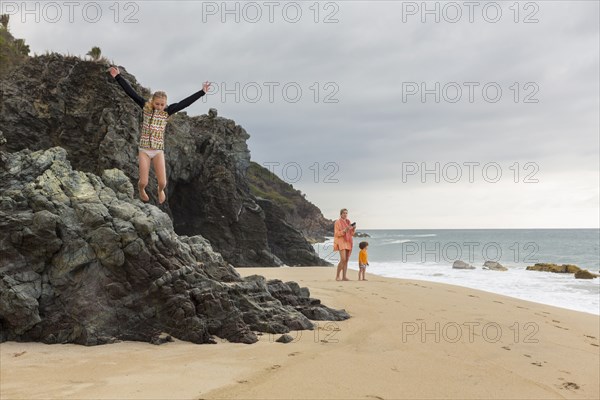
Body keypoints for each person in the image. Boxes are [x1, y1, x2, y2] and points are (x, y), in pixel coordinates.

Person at [108, 66, 211, 204]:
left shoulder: (167, 112)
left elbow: (185, 103)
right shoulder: (145, 107)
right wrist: (118, 77)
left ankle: (160, 191)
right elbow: (131, 92)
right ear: (152, 102)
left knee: (162, 182)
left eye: (162, 104)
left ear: (165, 104)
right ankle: (141, 189)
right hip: (144, 150)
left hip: (158, 151)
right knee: (143, 181)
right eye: (157, 104)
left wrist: (202, 92)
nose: (159, 106)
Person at [334, 208, 356, 281]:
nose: (345, 214)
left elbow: (352, 234)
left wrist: (353, 229)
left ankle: (344, 277)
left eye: (346, 213)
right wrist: (344, 230)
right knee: (343, 259)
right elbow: (337, 233)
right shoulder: (337, 222)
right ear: (341, 214)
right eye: (344, 213)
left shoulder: (348, 222)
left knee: (346, 260)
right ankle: (337, 276)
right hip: (341, 241)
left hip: (348, 242)